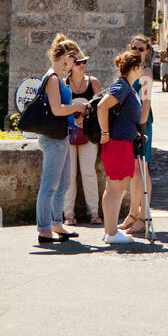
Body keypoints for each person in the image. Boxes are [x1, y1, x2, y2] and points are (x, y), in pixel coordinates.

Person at [35, 34, 90, 247]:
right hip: (53, 138)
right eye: (74, 61)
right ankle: (44, 229)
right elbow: (57, 109)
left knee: (64, 182)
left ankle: (56, 224)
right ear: (66, 57)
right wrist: (77, 107)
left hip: (62, 135)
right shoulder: (53, 78)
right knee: (49, 185)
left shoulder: (57, 77)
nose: (74, 66)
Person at [98, 49, 144, 245]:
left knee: (112, 188)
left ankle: (110, 230)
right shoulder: (123, 87)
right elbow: (102, 106)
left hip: (120, 142)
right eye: (141, 66)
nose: (142, 69)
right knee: (117, 189)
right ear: (134, 68)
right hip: (118, 143)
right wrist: (105, 133)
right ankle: (112, 232)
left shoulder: (126, 87)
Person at [120, 34, 155, 235]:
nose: (137, 51)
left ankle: (144, 216)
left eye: (141, 49)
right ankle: (132, 214)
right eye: (134, 47)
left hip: (141, 123)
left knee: (142, 169)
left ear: (147, 51)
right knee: (133, 171)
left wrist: (139, 128)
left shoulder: (146, 73)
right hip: (130, 123)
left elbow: (146, 104)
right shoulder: (129, 70)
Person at [64, 51, 102, 226]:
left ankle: (93, 212)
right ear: (72, 65)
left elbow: (99, 107)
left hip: (87, 132)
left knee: (88, 171)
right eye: (79, 62)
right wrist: (73, 118)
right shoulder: (64, 84)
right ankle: (69, 213)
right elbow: (59, 108)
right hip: (68, 132)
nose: (82, 64)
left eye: (84, 61)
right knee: (69, 174)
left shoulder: (93, 83)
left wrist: (85, 117)